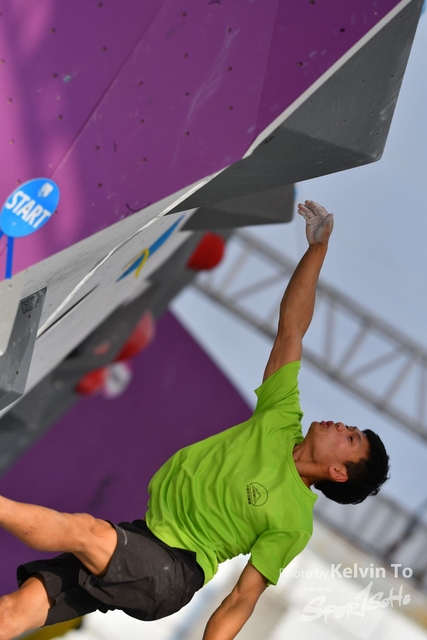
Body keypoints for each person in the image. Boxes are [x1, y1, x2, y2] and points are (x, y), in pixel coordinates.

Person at [0, 201, 390, 640]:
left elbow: (241, 598)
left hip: (172, 572)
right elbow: (291, 329)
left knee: (83, 531)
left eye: (351, 439)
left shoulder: (294, 522)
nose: (342, 426)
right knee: (12, 612)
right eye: (351, 428)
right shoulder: (281, 416)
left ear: (338, 473)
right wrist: (317, 250)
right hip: (143, 535)